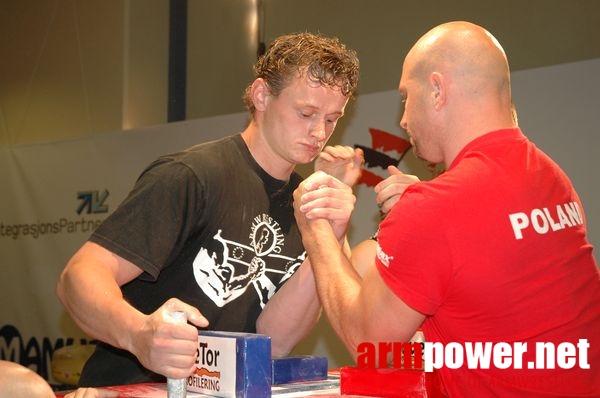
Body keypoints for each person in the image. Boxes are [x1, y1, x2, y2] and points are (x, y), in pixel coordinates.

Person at [294, 21, 600, 397]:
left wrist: (316, 224)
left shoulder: (438, 208)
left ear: (437, 90)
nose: (403, 119)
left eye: (406, 96)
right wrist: (421, 209)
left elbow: (367, 342)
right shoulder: (551, 177)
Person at [56, 31, 359, 387]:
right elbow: (77, 278)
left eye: (331, 119)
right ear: (262, 95)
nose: (318, 131)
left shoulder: (301, 203)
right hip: (132, 388)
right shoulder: (193, 176)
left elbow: (274, 341)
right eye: (306, 112)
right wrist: (137, 333)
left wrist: (325, 228)